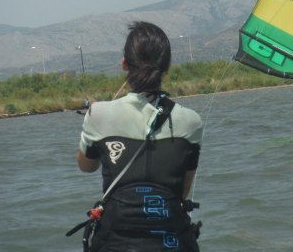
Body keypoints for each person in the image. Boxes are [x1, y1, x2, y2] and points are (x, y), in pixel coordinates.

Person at [76, 21, 203, 252]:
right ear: (168, 66)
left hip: (114, 242)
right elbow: (183, 191)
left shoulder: (99, 113)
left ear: (125, 64)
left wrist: (93, 123)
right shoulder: (191, 121)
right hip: (173, 242)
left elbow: (86, 166)